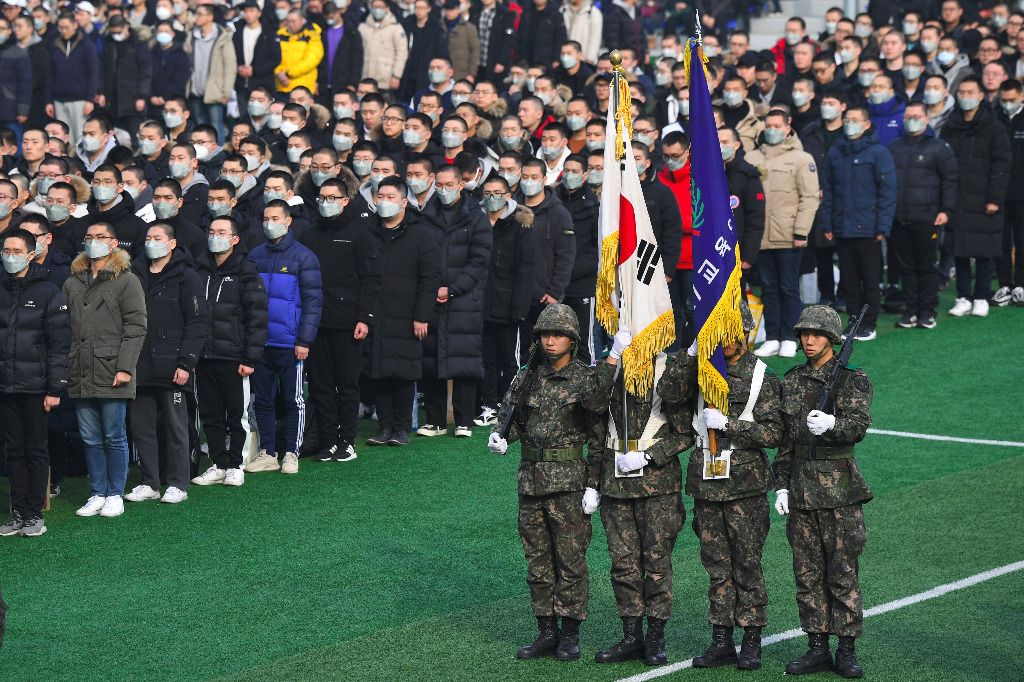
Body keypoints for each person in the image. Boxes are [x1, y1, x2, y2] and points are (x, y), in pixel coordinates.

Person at [659, 302, 783, 670]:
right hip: (707, 484)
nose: (727, 340)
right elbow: (668, 392)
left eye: (733, 333)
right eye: (720, 333)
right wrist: (691, 353)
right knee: (716, 566)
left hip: (746, 487)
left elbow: (774, 433)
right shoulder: (702, 368)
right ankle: (721, 639)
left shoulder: (762, 376)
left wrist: (729, 425)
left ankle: (751, 638)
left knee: (747, 564)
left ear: (745, 333)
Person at [487, 303, 600, 662]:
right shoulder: (527, 377)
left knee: (570, 561)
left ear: (572, 340)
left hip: (569, 484)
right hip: (531, 482)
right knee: (537, 562)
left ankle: (570, 633)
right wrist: (500, 436)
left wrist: (594, 484)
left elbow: (598, 437)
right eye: (546, 335)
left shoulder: (585, 379)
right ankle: (546, 631)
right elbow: (510, 418)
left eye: (558, 335)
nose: (551, 341)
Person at [772, 305, 873, 679]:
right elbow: (786, 442)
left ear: (832, 339)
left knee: (842, 572)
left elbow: (858, 426)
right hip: (801, 492)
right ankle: (817, 647)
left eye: (816, 334)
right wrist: (781, 485)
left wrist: (833, 424)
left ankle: (846, 649)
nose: (809, 340)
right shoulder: (793, 380)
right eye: (804, 334)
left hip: (839, 492)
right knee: (807, 574)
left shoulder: (852, 379)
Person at [586, 326, 693, 667]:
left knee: (656, 563)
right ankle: (631, 636)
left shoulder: (667, 373)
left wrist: (649, 456)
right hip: (616, 484)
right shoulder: (611, 370)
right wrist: (592, 482)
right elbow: (593, 413)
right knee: (623, 564)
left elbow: (686, 433)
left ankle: (656, 637)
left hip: (657, 486)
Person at [63, 221, 147, 519]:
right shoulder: (73, 281)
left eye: (101, 236)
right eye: (89, 237)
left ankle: (115, 493)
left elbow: (136, 327)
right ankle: (98, 492)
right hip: (80, 368)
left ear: (114, 243)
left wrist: (125, 367)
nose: (94, 241)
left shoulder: (127, 280)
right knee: (89, 437)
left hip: (112, 369)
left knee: (114, 436)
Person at [124, 223, 207, 505]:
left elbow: (197, 323)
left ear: (172, 243)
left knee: (176, 427)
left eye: (157, 238)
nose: (151, 242)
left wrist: (186, 362)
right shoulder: (133, 273)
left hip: (173, 367)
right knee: (141, 427)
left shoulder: (187, 276)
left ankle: (178, 482)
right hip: (139, 364)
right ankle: (150, 481)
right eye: (148, 237)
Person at [298, 177, 379, 461]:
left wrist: (364, 318)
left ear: (345, 201)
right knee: (320, 386)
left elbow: (371, 280)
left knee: (347, 384)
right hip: (315, 323)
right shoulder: (308, 236)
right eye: (322, 198)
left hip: (347, 323)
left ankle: (347, 440)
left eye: (332, 198)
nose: (326, 203)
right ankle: (328, 439)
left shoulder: (359, 235)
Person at [0, 229, 69, 538]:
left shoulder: (48, 291)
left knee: (36, 450)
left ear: (31, 254)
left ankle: (34, 513)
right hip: (5, 386)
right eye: (6, 250)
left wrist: (55, 389)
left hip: (36, 387)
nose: (9, 256)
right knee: (13, 451)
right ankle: (17, 512)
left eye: (16, 251)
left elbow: (60, 344)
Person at [245, 199, 322, 474]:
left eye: (275, 218)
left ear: (288, 221)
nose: (269, 223)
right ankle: (268, 452)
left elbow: (313, 303)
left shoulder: (304, 257)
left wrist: (304, 340)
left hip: (290, 343)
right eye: (265, 219)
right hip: (261, 343)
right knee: (263, 400)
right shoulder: (255, 256)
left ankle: (292, 452)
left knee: (294, 400)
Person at [415, 165, 492, 438]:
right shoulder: (425, 217)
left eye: (449, 185)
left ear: (461, 185)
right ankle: (435, 420)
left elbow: (479, 262)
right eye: (440, 184)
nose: (443, 190)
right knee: (431, 359)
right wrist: (432, 288)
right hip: (432, 298)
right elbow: (420, 256)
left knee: (464, 361)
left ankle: (464, 420)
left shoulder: (476, 218)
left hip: (465, 301)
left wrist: (453, 289)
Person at [364, 176, 441, 446]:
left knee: (404, 373)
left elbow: (430, 278)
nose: (384, 202)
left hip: (407, 315)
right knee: (378, 372)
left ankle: (401, 427)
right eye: (380, 197)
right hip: (376, 313)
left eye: (391, 197)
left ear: (404, 202)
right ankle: (384, 426)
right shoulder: (368, 232)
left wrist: (422, 315)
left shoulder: (420, 234)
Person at [192, 215, 268, 487]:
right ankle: (218, 463)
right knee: (210, 414)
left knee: (237, 415)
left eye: (222, 232)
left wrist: (250, 357)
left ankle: (236, 464)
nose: (215, 237)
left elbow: (257, 317)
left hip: (234, 356)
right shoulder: (199, 269)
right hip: (204, 356)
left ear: (235, 239)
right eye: (212, 232)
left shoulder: (246, 270)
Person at [746, 110, 820, 357]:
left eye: (777, 125)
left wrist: (801, 231)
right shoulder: (752, 157)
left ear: (788, 128)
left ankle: (790, 336)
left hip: (788, 234)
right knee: (768, 288)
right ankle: (772, 337)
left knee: (788, 287)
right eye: (768, 125)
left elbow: (809, 198)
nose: (772, 129)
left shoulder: (801, 158)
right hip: (760, 235)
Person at [820, 107, 896, 340]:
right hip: (842, 227)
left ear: (866, 124)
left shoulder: (878, 153)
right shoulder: (836, 152)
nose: (849, 124)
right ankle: (854, 322)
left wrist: (883, 227)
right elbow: (827, 191)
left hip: (869, 229)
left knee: (870, 279)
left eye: (855, 120)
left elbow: (887, 192)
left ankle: (869, 323)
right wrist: (827, 223)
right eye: (847, 120)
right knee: (849, 280)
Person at [941, 77, 1012, 318]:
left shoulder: (994, 128)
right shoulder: (951, 126)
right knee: (959, 249)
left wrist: (995, 198)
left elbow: (1001, 166)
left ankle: (981, 296)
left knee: (983, 249)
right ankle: (963, 297)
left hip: (984, 199)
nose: (965, 96)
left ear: (981, 95)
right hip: (957, 197)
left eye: (971, 92)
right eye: (962, 92)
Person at [886, 102, 958, 329]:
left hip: (928, 218)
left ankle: (927, 311)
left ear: (926, 119)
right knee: (905, 268)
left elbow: (950, 180)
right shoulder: (893, 147)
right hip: (899, 218)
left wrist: (946, 210)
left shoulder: (939, 148)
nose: (912, 120)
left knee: (926, 267)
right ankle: (910, 311)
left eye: (916, 116)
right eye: (908, 116)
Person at [477, 175, 535, 427]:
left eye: (497, 192)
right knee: (485, 359)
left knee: (510, 359)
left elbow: (525, 270)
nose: (492, 197)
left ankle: (508, 404)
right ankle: (488, 404)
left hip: (509, 306)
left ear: (508, 195)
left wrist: (519, 308)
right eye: (488, 192)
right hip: (480, 304)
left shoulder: (519, 226)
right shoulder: (476, 222)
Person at [518, 158, 575, 353]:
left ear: (544, 179)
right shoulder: (512, 209)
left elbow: (566, 255)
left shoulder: (559, 213)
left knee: (546, 350)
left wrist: (555, 291)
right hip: (516, 295)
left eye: (534, 177)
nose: (529, 181)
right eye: (525, 176)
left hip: (544, 297)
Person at [555, 154, 599, 365]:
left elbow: (597, 249)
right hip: (554, 284)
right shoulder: (553, 201)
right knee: (554, 339)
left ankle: (588, 380)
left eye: (574, 171)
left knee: (583, 342)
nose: (569, 175)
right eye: (566, 171)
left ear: (584, 175)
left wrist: (569, 271)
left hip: (581, 285)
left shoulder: (594, 206)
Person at [993, 79, 1024, 307]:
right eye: (1004, 100)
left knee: (1022, 240)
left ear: (1021, 96)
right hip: (999, 192)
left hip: (1022, 193)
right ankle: (1004, 284)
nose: (1007, 104)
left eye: (1012, 100)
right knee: (1000, 242)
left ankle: (1021, 284)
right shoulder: (994, 118)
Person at [187, 4, 236, 145]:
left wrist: (226, 91)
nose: (196, 17)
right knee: (200, 125)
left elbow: (230, 66)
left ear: (210, 17)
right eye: (196, 14)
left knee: (215, 125)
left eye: (200, 14)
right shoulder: (192, 36)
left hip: (215, 90)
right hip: (195, 89)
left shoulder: (222, 37)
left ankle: (218, 152)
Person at [47, 13, 99, 145]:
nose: (63, 31)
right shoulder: (54, 45)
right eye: (60, 27)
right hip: (59, 99)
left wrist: (90, 99)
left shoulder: (86, 45)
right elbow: (50, 74)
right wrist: (49, 100)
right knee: (63, 138)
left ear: (75, 25)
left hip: (80, 98)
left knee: (81, 135)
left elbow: (93, 73)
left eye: (67, 27)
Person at [275, 9, 324, 96]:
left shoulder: (312, 35)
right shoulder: (280, 35)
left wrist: (288, 73)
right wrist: (278, 72)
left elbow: (312, 59)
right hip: (281, 85)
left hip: (303, 87)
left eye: (293, 21)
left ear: (302, 20)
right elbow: (273, 56)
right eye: (288, 21)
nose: (290, 24)